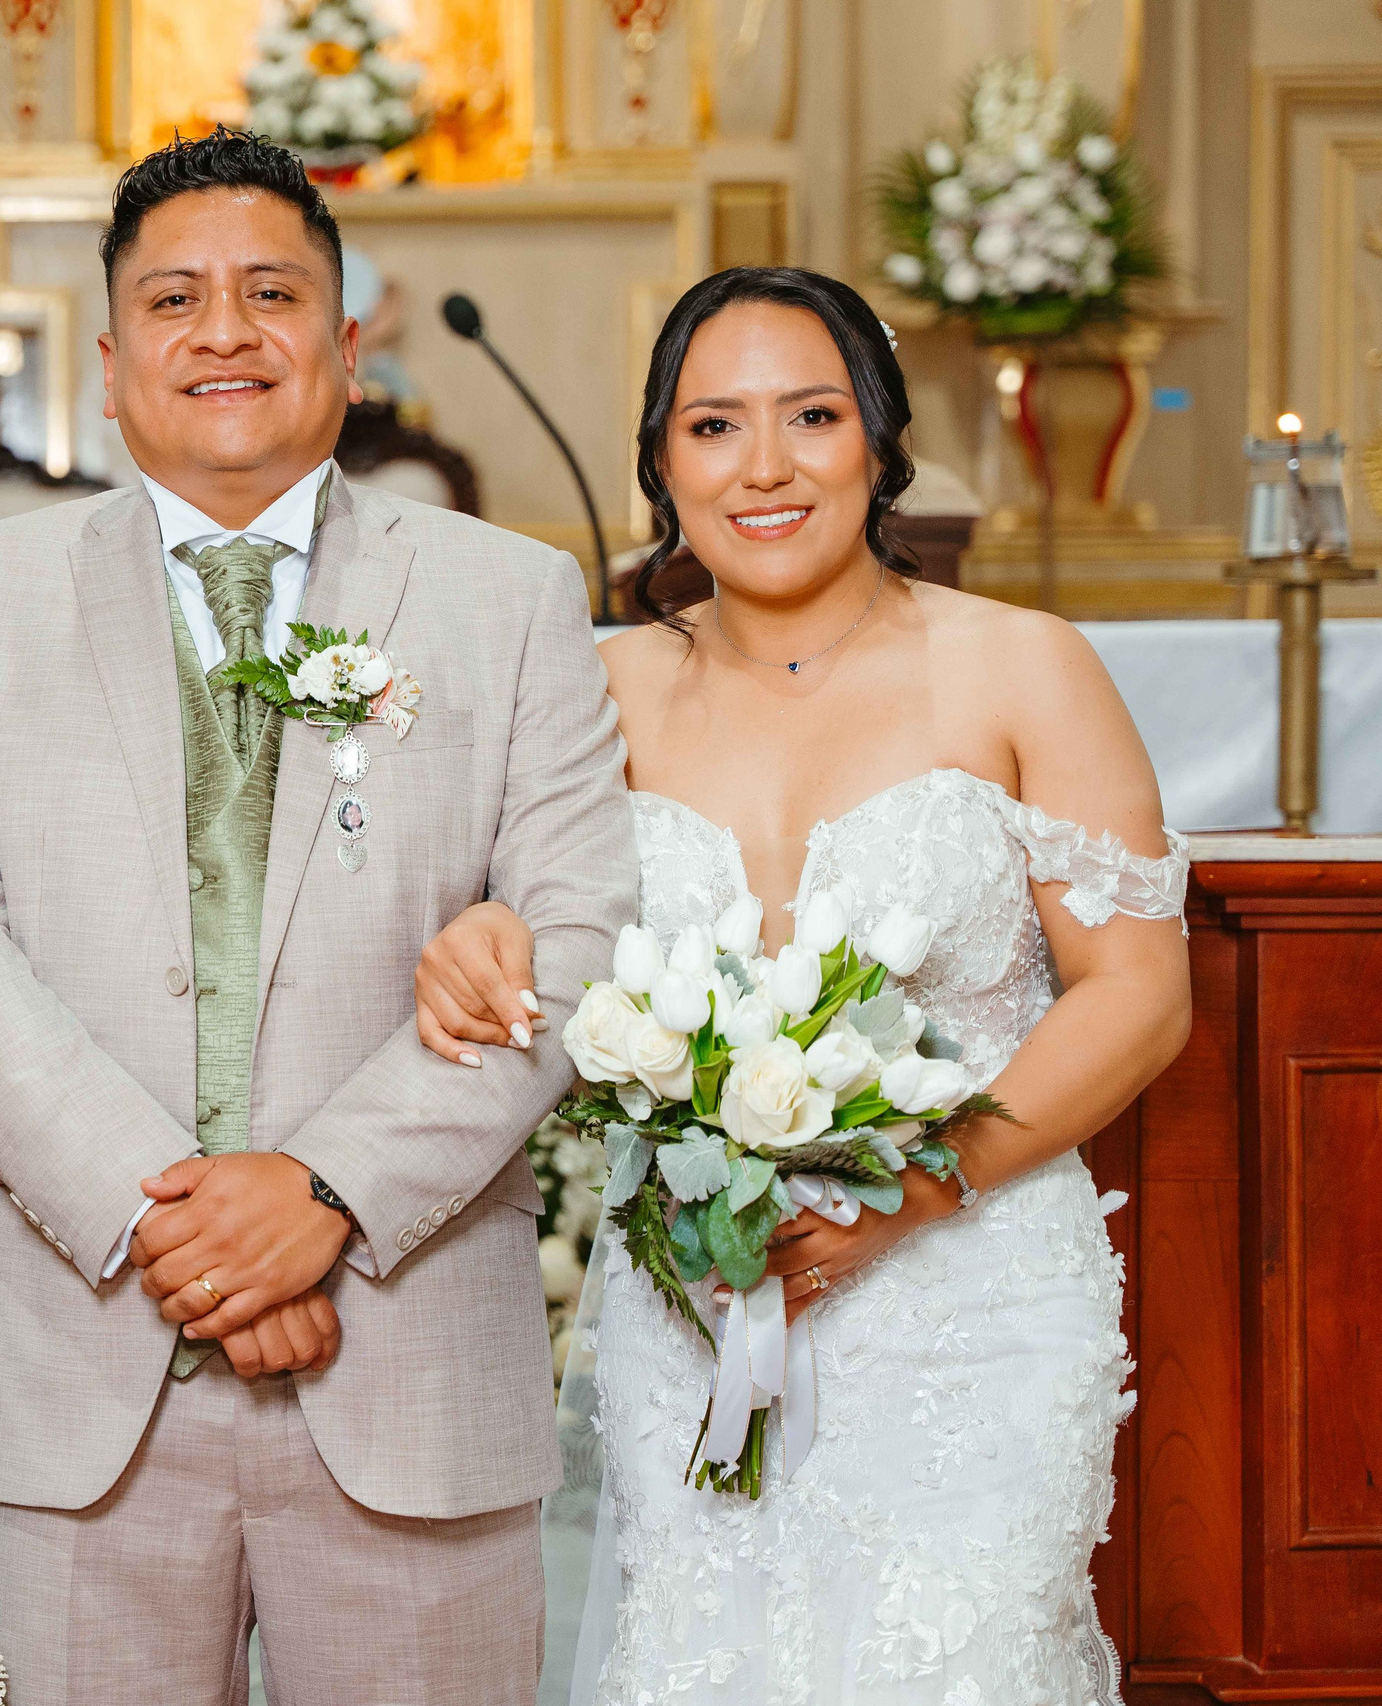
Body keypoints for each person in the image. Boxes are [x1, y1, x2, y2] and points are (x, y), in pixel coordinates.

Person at [0, 128, 637, 1703]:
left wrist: (326, 1194)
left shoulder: (508, 597)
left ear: (347, 349)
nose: (225, 332)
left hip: (403, 1347)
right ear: (108, 358)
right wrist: (185, 1230)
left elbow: (579, 941)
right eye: (176, 300)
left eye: (273, 293)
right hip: (82, 1362)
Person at [413, 266, 1192, 1703]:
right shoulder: (598, 691)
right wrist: (476, 943)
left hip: (976, 1299)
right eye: (714, 427)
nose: (763, 467)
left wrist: (911, 1191)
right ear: (659, 461)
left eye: (812, 416)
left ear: (881, 442)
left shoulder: (1026, 669)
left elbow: (1137, 992)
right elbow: (512, 933)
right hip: (701, 1301)